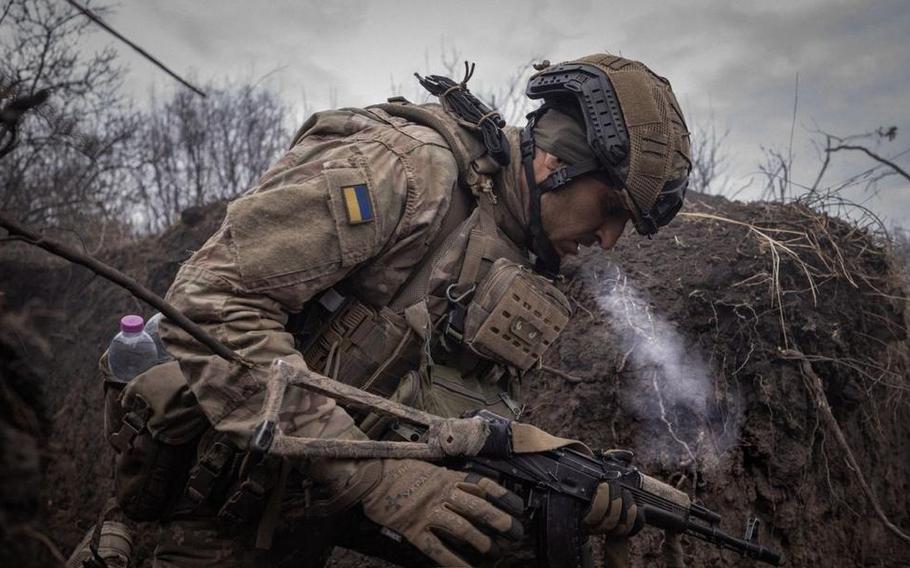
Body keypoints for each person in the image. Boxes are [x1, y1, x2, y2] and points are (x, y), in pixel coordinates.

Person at [101, 53, 691, 567]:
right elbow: (211, 300)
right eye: (610, 207)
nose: (609, 239)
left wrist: (566, 490)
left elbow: (446, 417)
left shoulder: (518, 251)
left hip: (309, 510)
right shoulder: (408, 171)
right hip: (204, 510)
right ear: (553, 164)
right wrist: (374, 476)